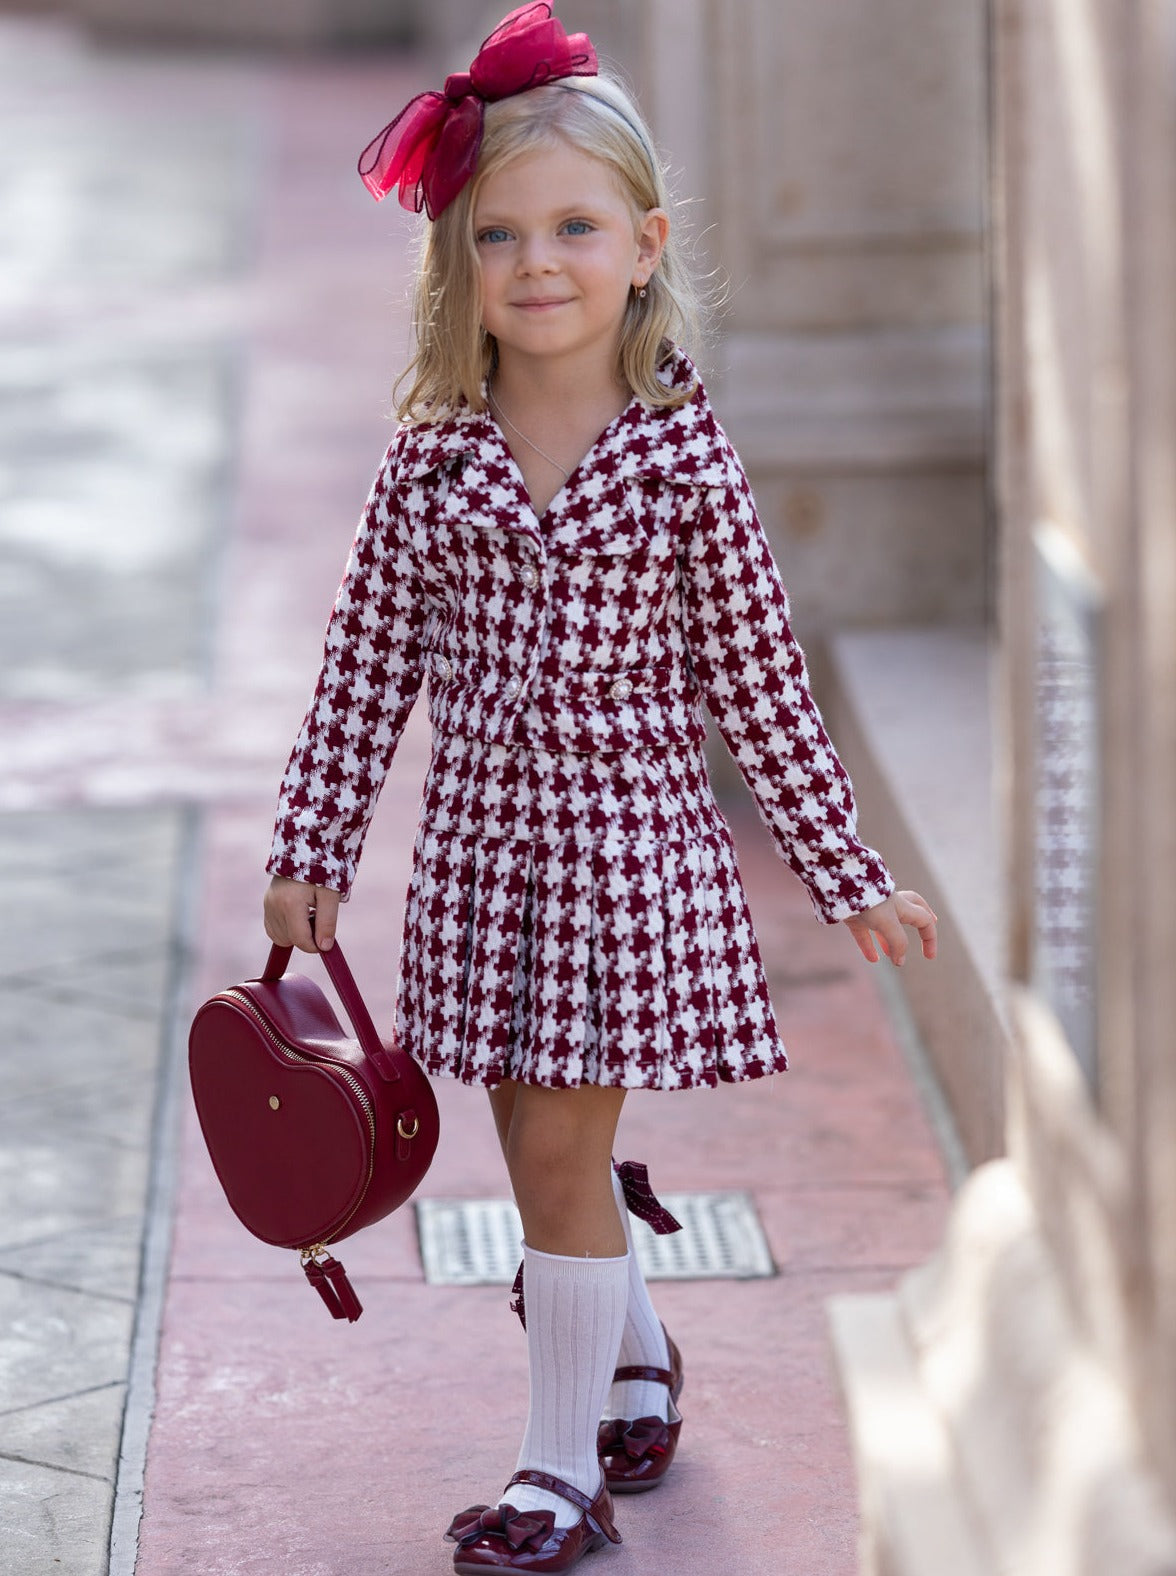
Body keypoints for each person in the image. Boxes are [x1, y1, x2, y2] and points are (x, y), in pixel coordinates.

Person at [263, 5, 938, 1571]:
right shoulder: (433, 459)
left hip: (625, 864)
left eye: (575, 228)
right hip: (482, 857)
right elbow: (366, 665)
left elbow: (759, 685)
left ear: (645, 248)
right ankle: (632, 1345)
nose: (538, 263)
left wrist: (848, 870)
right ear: (457, 263)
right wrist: (314, 842)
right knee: (531, 1142)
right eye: (499, 234)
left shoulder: (685, 462)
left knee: (557, 1157)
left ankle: (555, 1473)